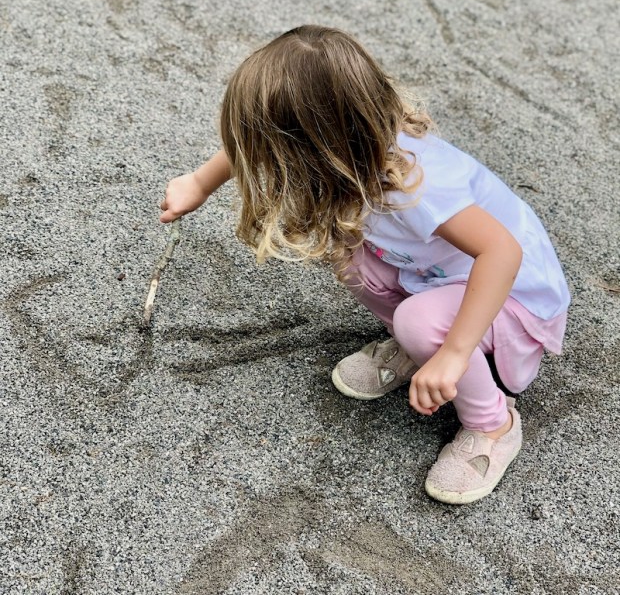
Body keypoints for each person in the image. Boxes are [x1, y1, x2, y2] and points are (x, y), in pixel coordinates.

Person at [160, 25, 570, 504]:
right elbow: (255, 139)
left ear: (318, 144)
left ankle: (492, 423)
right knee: (350, 257)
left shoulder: (417, 188)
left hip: (513, 296)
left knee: (419, 321)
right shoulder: (353, 140)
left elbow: (502, 253)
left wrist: (454, 352)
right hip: (441, 273)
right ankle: (420, 345)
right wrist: (198, 182)